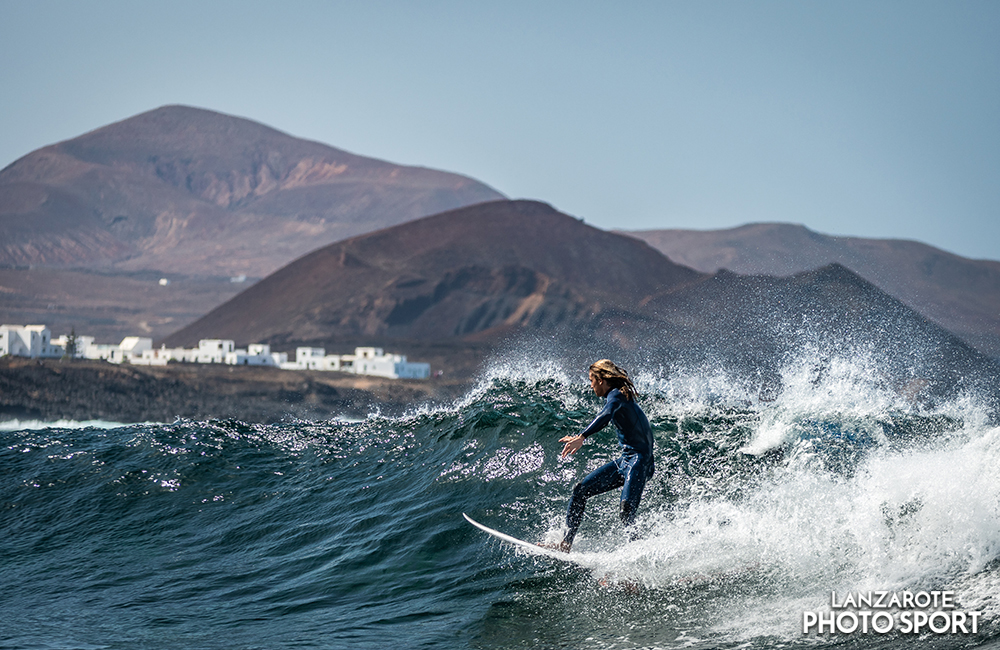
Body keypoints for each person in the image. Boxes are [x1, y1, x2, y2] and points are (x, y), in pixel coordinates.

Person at [554, 359, 654, 552]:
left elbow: (606, 415)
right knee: (580, 491)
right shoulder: (619, 396)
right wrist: (578, 436)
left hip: (639, 462)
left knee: (626, 512)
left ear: (601, 380)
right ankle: (565, 544)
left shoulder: (617, 396)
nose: (591, 386)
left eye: (591, 380)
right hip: (626, 460)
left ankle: (640, 555)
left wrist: (582, 437)